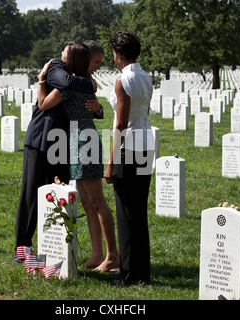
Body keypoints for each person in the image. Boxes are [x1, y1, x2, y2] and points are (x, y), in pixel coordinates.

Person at [38, 41, 119, 272]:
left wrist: (42, 80)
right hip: (79, 136)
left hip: (82, 138)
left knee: (97, 201)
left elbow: (43, 104)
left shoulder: (69, 86)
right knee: (86, 201)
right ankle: (96, 255)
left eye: (65, 56)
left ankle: (112, 256)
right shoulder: (86, 82)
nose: (60, 59)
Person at [12, 44, 96, 263]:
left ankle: (57, 248)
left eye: (65, 52)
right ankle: (22, 251)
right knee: (30, 195)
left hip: (63, 142)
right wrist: (88, 83)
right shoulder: (56, 66)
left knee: (60, 193)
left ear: (73, 59)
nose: (60, 54)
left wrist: (92, 91)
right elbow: (65, 84)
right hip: (41, 137)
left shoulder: (80, 78)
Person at [105, 30, 155, 285]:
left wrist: (111, 161)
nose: (114, 58)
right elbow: (145, 111)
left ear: (119, 54)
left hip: (129, 146)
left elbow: (121, 124)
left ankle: (128, 274)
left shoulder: (122, 80)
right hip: (147, 143)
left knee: (125, 212)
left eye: (114, 53)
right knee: (138, 210)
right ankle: (141, 272)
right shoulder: (147, 77)